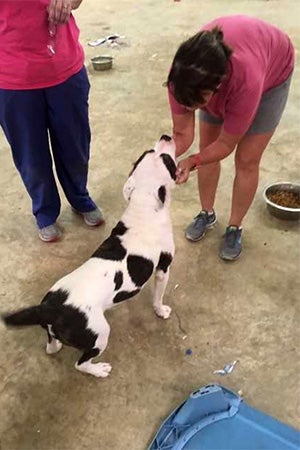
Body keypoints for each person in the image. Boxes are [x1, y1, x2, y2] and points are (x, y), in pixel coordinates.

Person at [167, 15, 294, 260]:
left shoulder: (246, 81)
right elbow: (182, 134)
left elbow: (225, 144)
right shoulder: (181, 77)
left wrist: (192, 161)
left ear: (216, 88)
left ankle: (234, 227)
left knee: (247, 159)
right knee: (206, 147)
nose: (190, 109)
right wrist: (159, 159)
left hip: (272, 73)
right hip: (224, 73)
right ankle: (207, 213)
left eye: (195, 104)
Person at [0, 0, 104, 242]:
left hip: (64, 65)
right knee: (30, 154)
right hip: (13, 75)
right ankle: (44, 210)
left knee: (75, 144)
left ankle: (79, 195)